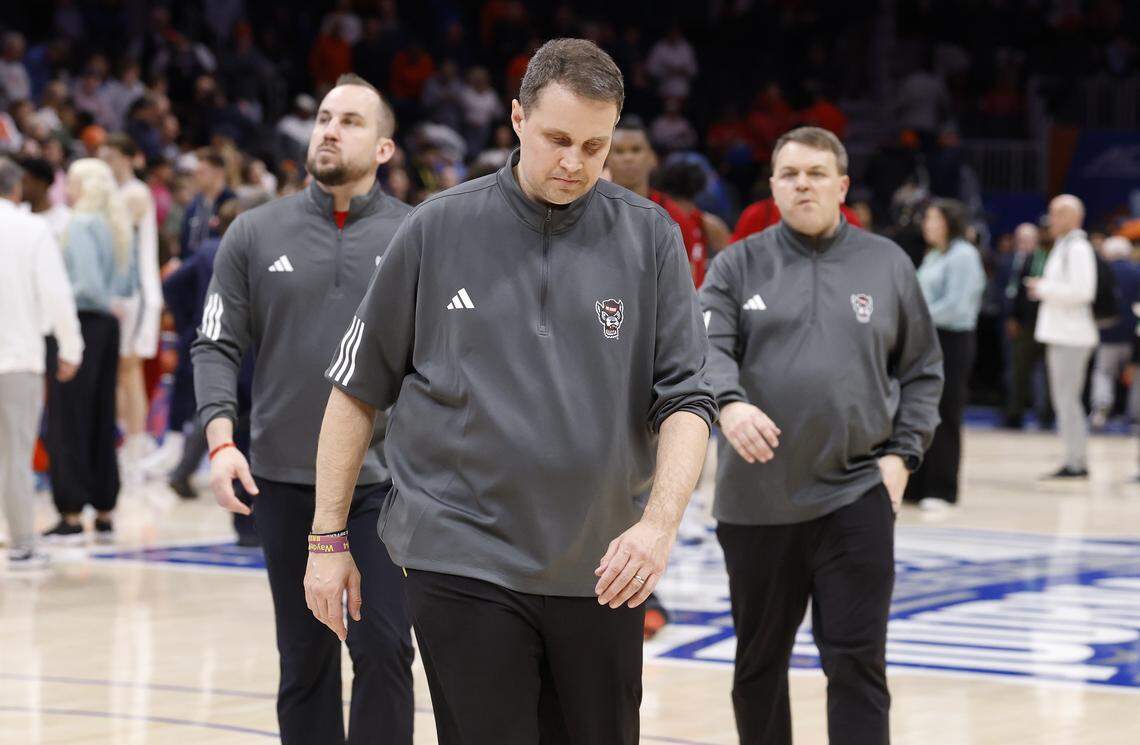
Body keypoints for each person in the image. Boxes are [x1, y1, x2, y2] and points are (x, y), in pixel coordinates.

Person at [306, 39, 716, 745]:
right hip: (462, 554)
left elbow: (687, 400)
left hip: (604, 565)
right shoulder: (436, 226)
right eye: (558, 139)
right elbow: (355, 389)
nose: (574, 163)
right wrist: (326, 538)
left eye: (595, 146)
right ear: (518, 119)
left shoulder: (651, 237)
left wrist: (658, 525)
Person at [700, 126, 943, 745]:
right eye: (789, 174)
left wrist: (902, 458)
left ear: (842, 186)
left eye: (815, 173)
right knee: (758, 667)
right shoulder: (737, 264)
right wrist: (729, 407)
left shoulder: (886, 263)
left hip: (854, 492)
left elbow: (922, 370)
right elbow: (706, 350)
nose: (802, 184)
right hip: (755, 503)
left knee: (857, 662)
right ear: (774, 186)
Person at [191, 75, 414, 745]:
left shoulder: (415, 235)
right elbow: (215, 343)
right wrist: (221, 439)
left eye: (349, 120)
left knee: (383, 648)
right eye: (322, 117)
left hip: (383, 484)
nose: (329, 130)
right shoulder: (254, 233)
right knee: (305, 659)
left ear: (382, 148)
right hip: (285, 479)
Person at [42, 158, 132, 543]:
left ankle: (72, 511)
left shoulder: (79, 224)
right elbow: (122, 286)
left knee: (67, 419)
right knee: (100, 415)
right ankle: (105, 507)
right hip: (107, 327)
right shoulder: (115, 224)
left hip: (78, 324)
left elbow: (89, 286)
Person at [0, 157, 83, 569]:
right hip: (18, 359)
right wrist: (71, 347)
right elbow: (56, 295)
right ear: (16, 190)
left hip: (17, 355)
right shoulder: (31, 230)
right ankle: (22, 542)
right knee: (15, 455)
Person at [904, 199, 985, 511]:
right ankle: (918, 484)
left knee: (945, 413)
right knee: (920, 410)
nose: (927, 225)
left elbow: (957, 306)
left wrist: (915, 319)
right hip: (926, 339)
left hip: (951, 340)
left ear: (949, 222)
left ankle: (943, 487)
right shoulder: (935, 254)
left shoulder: (964, 255)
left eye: (934, 220)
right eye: (926, 220)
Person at [99, 134, 164, 470]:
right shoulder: (115, 193)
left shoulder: (134, 192)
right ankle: (128, 436)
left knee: (129, 368)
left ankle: (137, 443)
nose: (105, 163)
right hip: (121, 293)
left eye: (110, 156)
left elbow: (108, 230)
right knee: (120, 370)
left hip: (137, 293)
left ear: (127, 158)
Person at [1027, 195, 1097, 479]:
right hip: (1062, 334)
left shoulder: (1077, 248)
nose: (1051, 218)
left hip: (1072, 337)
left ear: (1072, 216)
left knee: (1068, 401)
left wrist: (1044, 288)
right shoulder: (1064, 246)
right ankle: (1073, 457)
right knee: (1065, 401)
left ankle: (1076, 462)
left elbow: (1083, 292)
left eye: (1056, 213)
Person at [607, 115, 707, 287]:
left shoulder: (674, 217)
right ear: (605, 158)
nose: (628, 158)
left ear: (652, 159)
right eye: (619, 151)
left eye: (636, 150)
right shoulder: (589, 209)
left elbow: (687, 284)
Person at [1003, 222, 1053, 429]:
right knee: (1019, 371)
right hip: (1026, 324)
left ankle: (1046, 415)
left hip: (1050, 324)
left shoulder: (1057, 259)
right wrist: (1013, 318)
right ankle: (1014, 414)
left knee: (1048, 373)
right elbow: (1019, 291)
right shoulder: (1030, 258)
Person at [1089, 236, 1140, 429]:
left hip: (1108, 332)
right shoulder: (1137, 272)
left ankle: (1101, 409)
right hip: (1135, 334)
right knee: (1137, 376)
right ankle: (1136, 417)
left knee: (1103, 372)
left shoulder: (1103, 271)